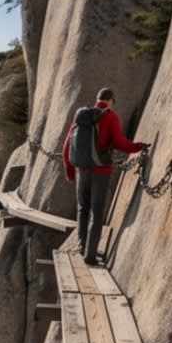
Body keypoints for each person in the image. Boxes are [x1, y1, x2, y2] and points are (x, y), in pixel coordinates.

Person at [62, 87, 146, 266]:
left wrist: (69, 169)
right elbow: (119, 142)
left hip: (81, 169)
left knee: (83, 208)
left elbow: (67, 145)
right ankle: (90, 254)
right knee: (96, 212)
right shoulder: (110, 117)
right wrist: (138, 147)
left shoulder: (81, 116)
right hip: (101, 171)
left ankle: (82, 245)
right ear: (111, 101)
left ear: (97, 99)